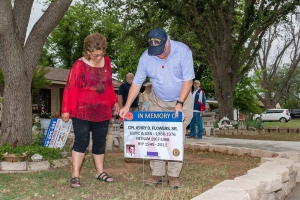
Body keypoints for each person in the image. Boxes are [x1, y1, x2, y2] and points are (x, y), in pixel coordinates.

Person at [119, 27, 194, 189]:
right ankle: (156, 174)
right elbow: (137, 83)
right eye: (155, 51)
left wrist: (179, 104)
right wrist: (125, 106)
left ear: (168, 42)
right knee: (155, 136)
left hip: (182, 100)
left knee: (175, 137)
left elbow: (188, 81)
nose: (159, 54)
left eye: (162, 50)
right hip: (158, 101)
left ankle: (173, 175)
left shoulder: (183, 51)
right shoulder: (146, 58)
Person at [61, 33, 119, 188]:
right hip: (82, 110)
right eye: (95, 55)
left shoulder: (106, 62)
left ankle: (99, 172)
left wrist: (114, 102)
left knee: (100, 141)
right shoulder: (79, 65)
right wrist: (66, 109)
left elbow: (109, 85)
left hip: (102, 109)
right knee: (81, 141)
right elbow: (70, 87)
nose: (99, 58)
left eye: (101, 54)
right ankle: (75, 175)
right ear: (87, 51)